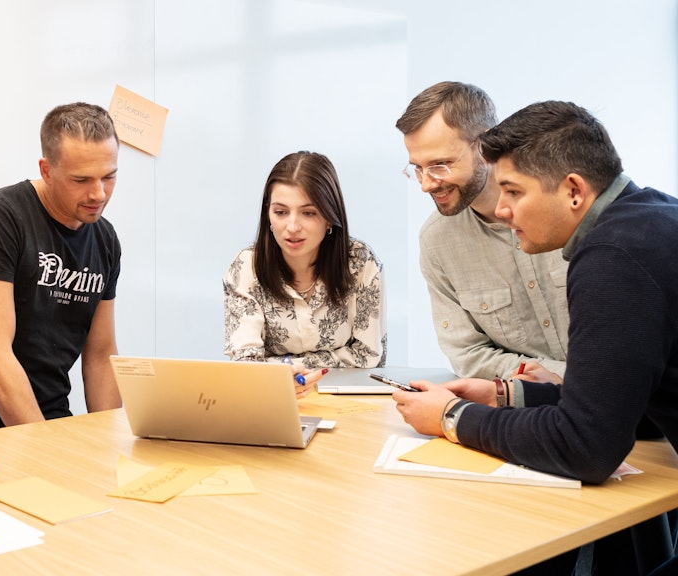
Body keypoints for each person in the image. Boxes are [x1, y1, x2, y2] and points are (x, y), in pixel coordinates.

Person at [393, 100, 678, 574]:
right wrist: (507, 394)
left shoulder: (612, 256)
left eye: (512, 191)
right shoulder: (652, 219)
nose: (501, 210)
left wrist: (452, 418)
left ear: (572, 191)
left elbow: (587, 449)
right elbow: (635, 405)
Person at [0, 102, 123, 430]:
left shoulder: (104, 239)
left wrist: (109, 440)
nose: (98, 193)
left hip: (52, 423)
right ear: (46, 170)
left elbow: (101, 355)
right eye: (81, 180)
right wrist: (43, 446)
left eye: (109, 176)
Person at [395, 82, 569, 382]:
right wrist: (557, 379)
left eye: (440, 164)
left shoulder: (565, 206)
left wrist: (580, 381)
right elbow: (469, 355)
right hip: (526, 412)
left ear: (484, 145)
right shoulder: (437, 242)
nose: (425, 184)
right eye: (418, 168)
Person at [223, 151, 386, 394]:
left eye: (308, 213)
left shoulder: (359, 262)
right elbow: (246, 364)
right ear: (268, 214)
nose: (292, 227)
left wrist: (284, 369)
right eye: (280, 212)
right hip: (271, 397)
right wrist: (283, 378)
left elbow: (368, 356)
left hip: (347, 399)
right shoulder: (246, 266)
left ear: (330, 217)